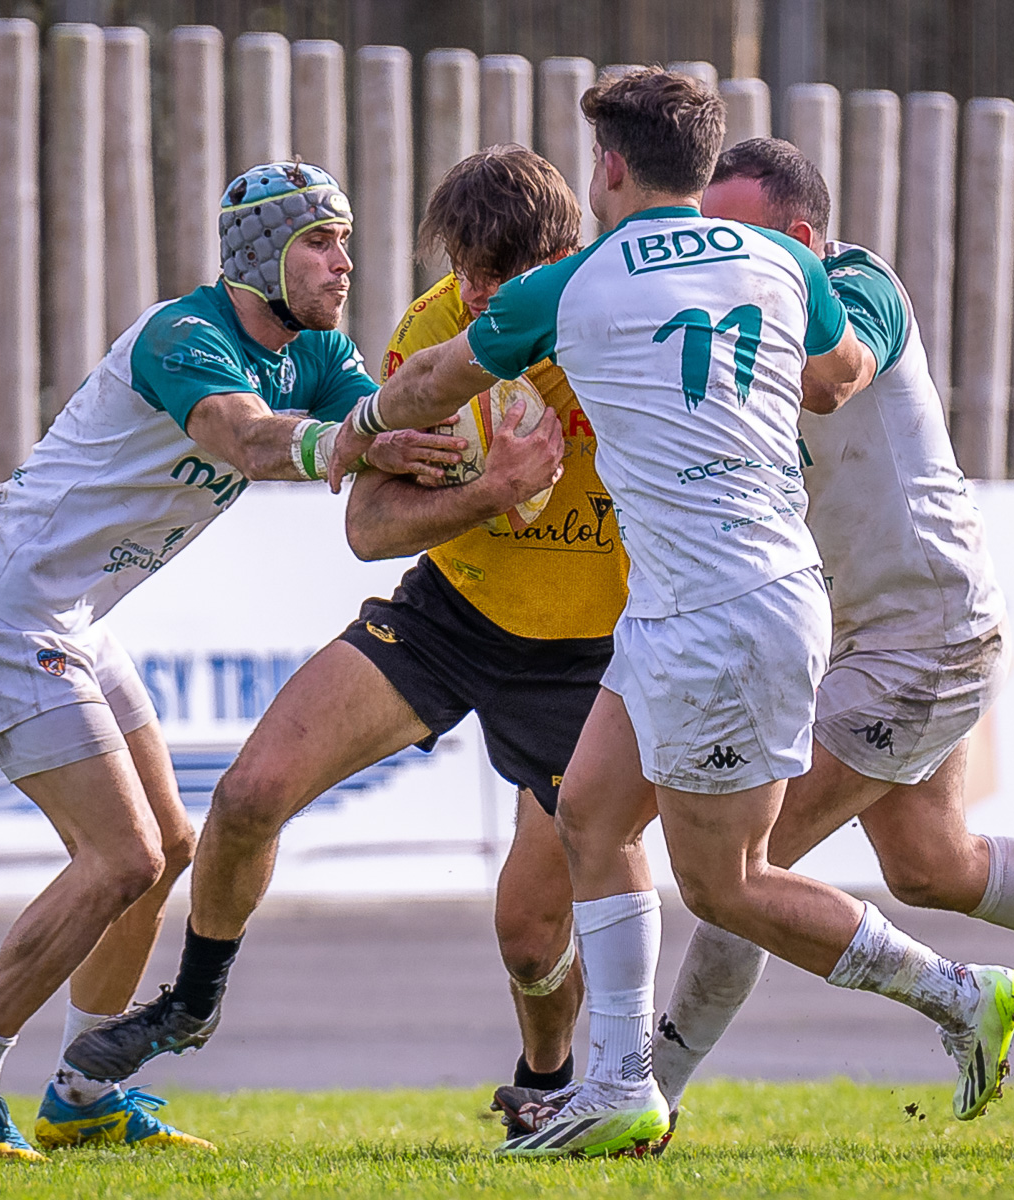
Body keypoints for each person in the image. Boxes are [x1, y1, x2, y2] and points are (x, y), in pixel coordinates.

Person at [329, 69, 1014, 1158]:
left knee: (729, 883)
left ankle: (959, 993)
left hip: (720, 611)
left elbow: (432, 386)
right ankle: (618, 1085)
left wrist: (358, 427)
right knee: (591, 818)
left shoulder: (569, 284)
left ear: (609, 165)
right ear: (701, 166)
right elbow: (840, 379)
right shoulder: (791, 262)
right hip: (699, 603)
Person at [619, 139, 1014, 1134]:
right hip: (889, 633)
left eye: (732, 233)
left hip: (924, 637)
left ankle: (649, 1091)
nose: (711, 251)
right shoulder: (735, 318)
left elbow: (827, 383)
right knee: (930, 865)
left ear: (803, 241)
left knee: (744, 865)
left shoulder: (858, 286)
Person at [0, 161, 450, 1161]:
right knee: (123, 859)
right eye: (321, 240)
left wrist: (468, 455)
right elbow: (245, 440)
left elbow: (386, 428)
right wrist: (367, 440)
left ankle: (79, 1090)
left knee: (173, 852)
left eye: (347, 237)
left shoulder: (317, 351)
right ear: (262, 256)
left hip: (68, 614)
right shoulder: (184, 336)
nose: (345, 260)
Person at [62, 146, 622, 1102]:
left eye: (506, 277)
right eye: (467, 271)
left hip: (586, 656)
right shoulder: (435, 331)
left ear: (563, 259)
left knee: (530, 936)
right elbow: (368, 528)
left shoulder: (620, 337)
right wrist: (489, 493)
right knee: (247, 796)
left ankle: (548, 1077)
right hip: (452, 617)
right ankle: (194, 1000)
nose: (482, 296)